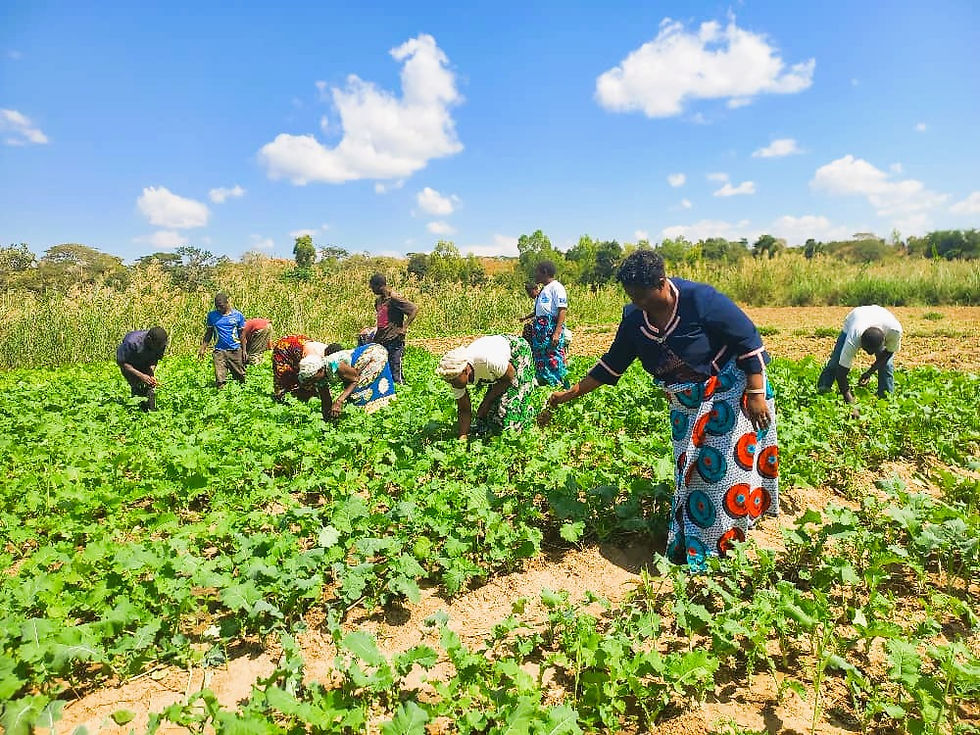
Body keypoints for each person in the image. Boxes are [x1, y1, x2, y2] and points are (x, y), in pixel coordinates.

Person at [539, 250, 778, 570]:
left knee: (721, 472)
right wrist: (568, 394)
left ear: (662, 283)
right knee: (690, 474)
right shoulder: (635, 320)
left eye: (642, 296)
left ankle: (723, 545)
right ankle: (698, 541)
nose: (638, 303)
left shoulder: (700, 300)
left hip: (730, 392)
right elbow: (612, 364)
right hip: (685, 404)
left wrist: (756, 392)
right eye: (631, 296)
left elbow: (747, 338)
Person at [435, 335, 536, 440]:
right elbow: (464, 409)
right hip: (495, 367)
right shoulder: (455, 376)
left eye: (453, 381)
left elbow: (509, 376)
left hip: (515, 351)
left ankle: (530, 415)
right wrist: (462, 436)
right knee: (489, 417)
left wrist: (486, 402)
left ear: (465, 371)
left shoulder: (487, 361)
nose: (452, 384)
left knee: (509, 415)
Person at [817, 305, 902, 406]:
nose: (869, 354)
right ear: (860, 343)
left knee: (886, 365)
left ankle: (886, 399)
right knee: (836, 360)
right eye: (866, 350)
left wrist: (869, 373)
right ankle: (823, 390)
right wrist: (851, 402)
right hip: (856, 316)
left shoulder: (895, 332)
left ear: (884, 342)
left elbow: (888, 353)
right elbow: (841, 373)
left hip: (881, 315)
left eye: (873, 351)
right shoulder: (854, 337)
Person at [296, 342, 397, 419]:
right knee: (352, 395)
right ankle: (368, 415)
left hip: (373, 355)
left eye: (313, 378)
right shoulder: (318, 378)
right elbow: (325, 399)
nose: (312, 382)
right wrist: (327, 420)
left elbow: (355, 379)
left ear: (320, 370)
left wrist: (339, 401)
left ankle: (379, 415)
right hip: (354, 369)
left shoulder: (334, 364)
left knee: (359, 393)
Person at [368, 273, 418, 384]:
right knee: (384, 371)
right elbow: (383, 320)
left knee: (396, 371)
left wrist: (404, 328)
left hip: (394, 339)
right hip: (382, 339)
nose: (371, 290)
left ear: (379, 285)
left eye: (372, 287)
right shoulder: (379, 301)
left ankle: (402, 391)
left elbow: (414, 309)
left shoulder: (394, 298)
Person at [530, 261, 569, 387]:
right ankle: (544, 385)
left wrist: (557, 333)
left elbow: (562, 310)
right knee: (541, 358)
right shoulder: (544, 289)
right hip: (541, 330)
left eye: (537, 271)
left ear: (545, 272)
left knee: (553, 357)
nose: (535, 274)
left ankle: (558, 386)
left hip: (550, 329)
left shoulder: (557, 287)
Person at [198, 292, 246, 388]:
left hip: (235, 350)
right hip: (219, 351)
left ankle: (241, 395)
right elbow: (209, 333)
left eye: (221, 306)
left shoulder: (238, 315)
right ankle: (221, 397)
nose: (219, 309)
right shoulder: (212, 316)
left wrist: (244, 350)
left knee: (240, 377)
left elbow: (242, 334)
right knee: (220, 378)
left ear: (227, 303)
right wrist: (203, 347)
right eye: (217, 307)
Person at [116, 326, 168, 411]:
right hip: (130, 364)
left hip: (145, 361)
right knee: (137, 386)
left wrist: (150, 373)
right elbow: (122, 362)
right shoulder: (131, 342)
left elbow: (155, 358)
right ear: (149, 339)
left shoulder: (160, 343)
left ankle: (151, 413)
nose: (159, 348)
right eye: (157, 345)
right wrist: (141, 376)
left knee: (149, 386)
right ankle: (137, 412)